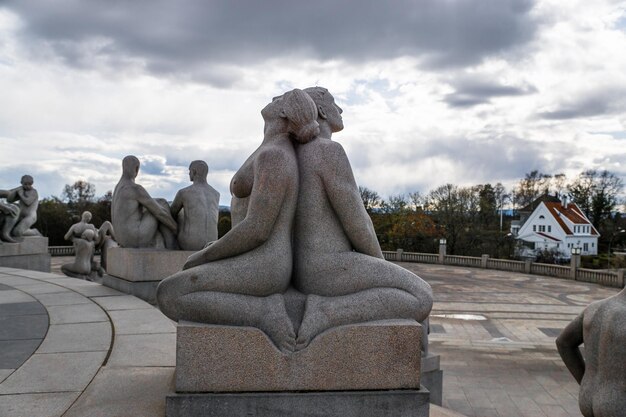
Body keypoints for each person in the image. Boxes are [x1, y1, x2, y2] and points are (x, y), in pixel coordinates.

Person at [157, 89, 319, 353]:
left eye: (278, 99)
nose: (272, 98)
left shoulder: (275, 155)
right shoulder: (270, 147)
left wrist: (207, 254)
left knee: (170, 293)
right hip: (258, 257)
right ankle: (261, 311)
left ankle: (262, 313)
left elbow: (258, 229)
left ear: (282, 112)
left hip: (265, 262)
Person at [291, 87, 433, 349]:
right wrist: (384, 269)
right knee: (421, 296)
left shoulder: (293, 154)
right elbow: (358, 223)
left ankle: (325, 310)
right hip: (327, 268)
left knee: (406, 291)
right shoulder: (327, 151)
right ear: (321, 110)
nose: (340, 110)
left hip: (302, 269)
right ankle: (326, 312)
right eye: (334, 103)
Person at [556, 286, 626, 417]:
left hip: (588, 396)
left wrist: (585, 381)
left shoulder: (594, 308)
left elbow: (563, 343)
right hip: (619, 402)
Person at [111, 156, 178, 249]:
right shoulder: (134, 188)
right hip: (135, 238)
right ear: (137, 169)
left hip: (121, 239)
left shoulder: (118, 188)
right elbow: (160, 213)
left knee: (154, 204)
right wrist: (176, 228)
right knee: (161, 203)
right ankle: (173, 245)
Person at [171, 160, 220, 250]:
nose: (189, 174)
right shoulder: (216, 193)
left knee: (181, 213)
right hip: (212, 243)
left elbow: (171, 213)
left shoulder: (184, 192)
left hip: (191, 244)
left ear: (194, 172)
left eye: (189, 171)